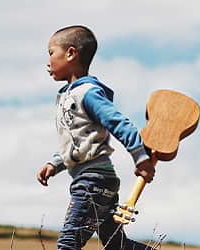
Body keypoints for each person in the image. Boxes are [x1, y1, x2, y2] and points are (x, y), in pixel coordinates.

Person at [37, 25, 156, 250]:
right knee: (116, 244)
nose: (48, 61)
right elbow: (79, 142)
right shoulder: (69, 96)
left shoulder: (88, 93)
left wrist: (141, 157)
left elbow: (119, 123)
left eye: (51, 53)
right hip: (98, 179)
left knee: (68, 244)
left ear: (71, 53)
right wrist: (55, 162)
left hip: (92, 182)